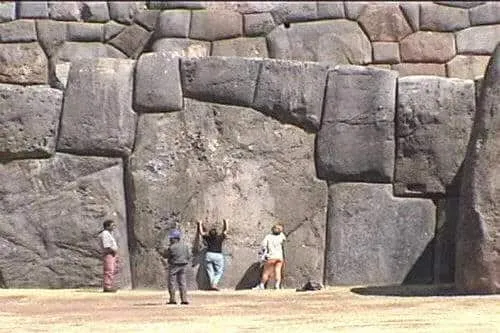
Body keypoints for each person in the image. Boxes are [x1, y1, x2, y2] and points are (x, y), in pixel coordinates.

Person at [161, 229, 191, 305]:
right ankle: (184, 299)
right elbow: (188, 256)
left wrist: (163, 251)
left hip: (174, 266)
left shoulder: (172, 247)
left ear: (175, 238)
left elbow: (166, 255)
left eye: (171, 238)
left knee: (172, 283)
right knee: (182, 283)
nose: (170, 240)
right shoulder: (185, 246)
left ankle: (172, 299)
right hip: (183, 265)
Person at [198, 219, 228, 291]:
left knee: (210, 271)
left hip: (209, 254)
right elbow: (226, 231)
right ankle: (214, 284)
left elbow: (201, 233)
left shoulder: (208, 238)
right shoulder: (220, 238)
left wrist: (200, 223)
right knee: (219, 271)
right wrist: (226, 222)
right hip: (218, 255)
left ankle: (212, 284)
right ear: (216, 233)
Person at [254, 224, 286, 290]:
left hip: (271, 256)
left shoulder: (268, 237)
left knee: (266, 272)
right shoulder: (281, 236)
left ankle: (262, 285)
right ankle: (277, 285)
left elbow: (263, 245)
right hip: (279, 257)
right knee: (278, 271)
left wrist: (263, 254)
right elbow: (283, 238)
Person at [99, 219, 119, 293]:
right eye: (112, 225)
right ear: (107, 226)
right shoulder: (105, 233)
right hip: (108, 254)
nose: (114, 227)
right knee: (109, 270)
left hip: (112, 254)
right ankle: (107, 286)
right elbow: (106, 245)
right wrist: (113, 250)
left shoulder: (110, 233)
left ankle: (111, 285)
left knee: (114, 269)